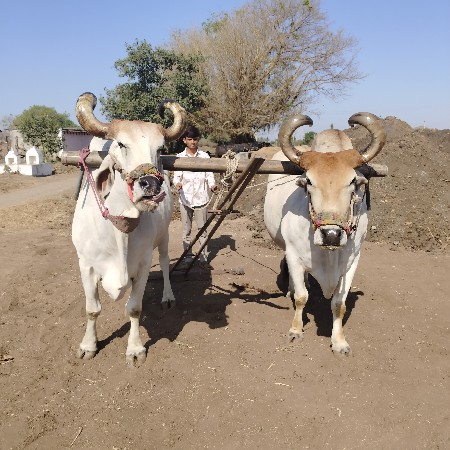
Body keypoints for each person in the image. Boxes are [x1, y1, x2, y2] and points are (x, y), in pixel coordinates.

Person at [173, 125, 217, 265]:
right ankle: (187, 257)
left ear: (198, 140)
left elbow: (209, 175)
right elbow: (176, 177)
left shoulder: (204, 156)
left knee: (202, 230)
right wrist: (177, 184)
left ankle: (203, 257)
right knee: (186, 231)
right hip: (185, 199)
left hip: (201, 199)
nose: (193, 142)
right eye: (190, 139)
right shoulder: (179, 157)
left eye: (195, 139)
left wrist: (212, 185)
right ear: (184, 140)